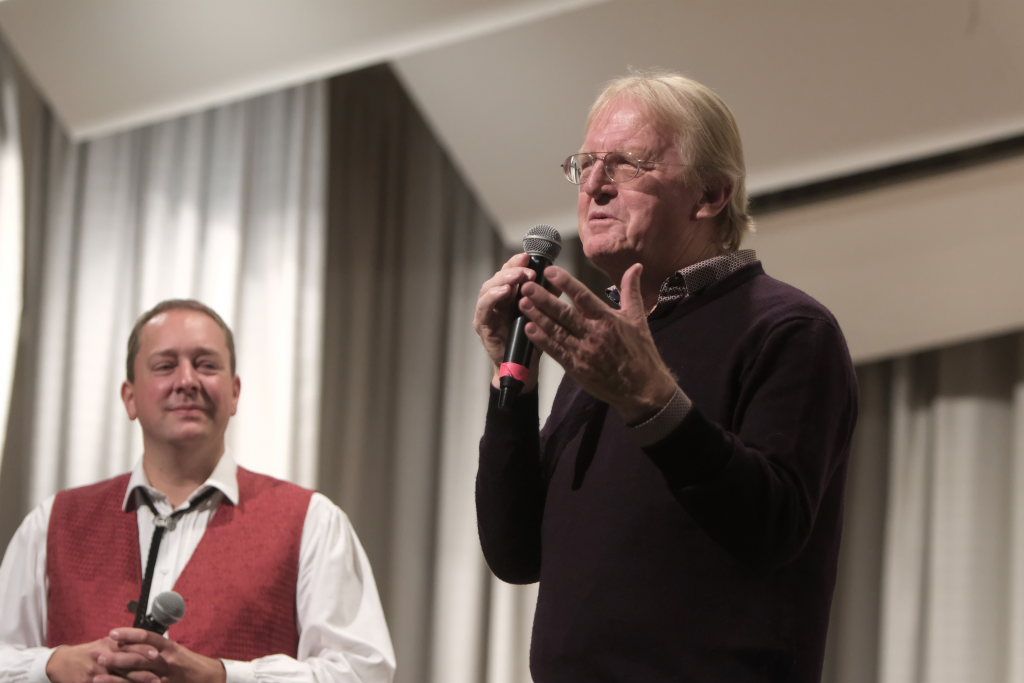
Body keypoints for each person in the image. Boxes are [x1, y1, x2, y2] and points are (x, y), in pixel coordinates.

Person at [474, 71, 858, 682]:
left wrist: (652, 400)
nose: (594, 186)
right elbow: (516, 552)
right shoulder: (606, 345)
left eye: (626, 164)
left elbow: (773, 529)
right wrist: (509, 379)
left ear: (710, 194)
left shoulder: (789, 330)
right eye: (586, 165)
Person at [0, 299, 395, 683]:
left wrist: (224, 677)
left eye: (206, 365)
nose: (187, 381)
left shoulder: (312, 521)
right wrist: (50, 666)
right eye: (165, 365)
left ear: (235, 392)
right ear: (130, 397)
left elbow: (363, 672)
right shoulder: (54, 522)